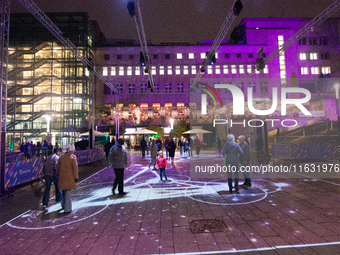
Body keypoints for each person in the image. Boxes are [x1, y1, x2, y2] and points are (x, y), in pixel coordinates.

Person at [57, 144, 78, 213]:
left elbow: (57, 167)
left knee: (63, 191)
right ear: (72, 150)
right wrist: (76, 177)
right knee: (68, 193)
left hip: (62, 177)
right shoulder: (73, 157)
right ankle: (67, 208)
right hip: (69, 178)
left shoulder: (61, 157)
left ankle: (63, 205)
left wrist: (59, 174)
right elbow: (75, 169)